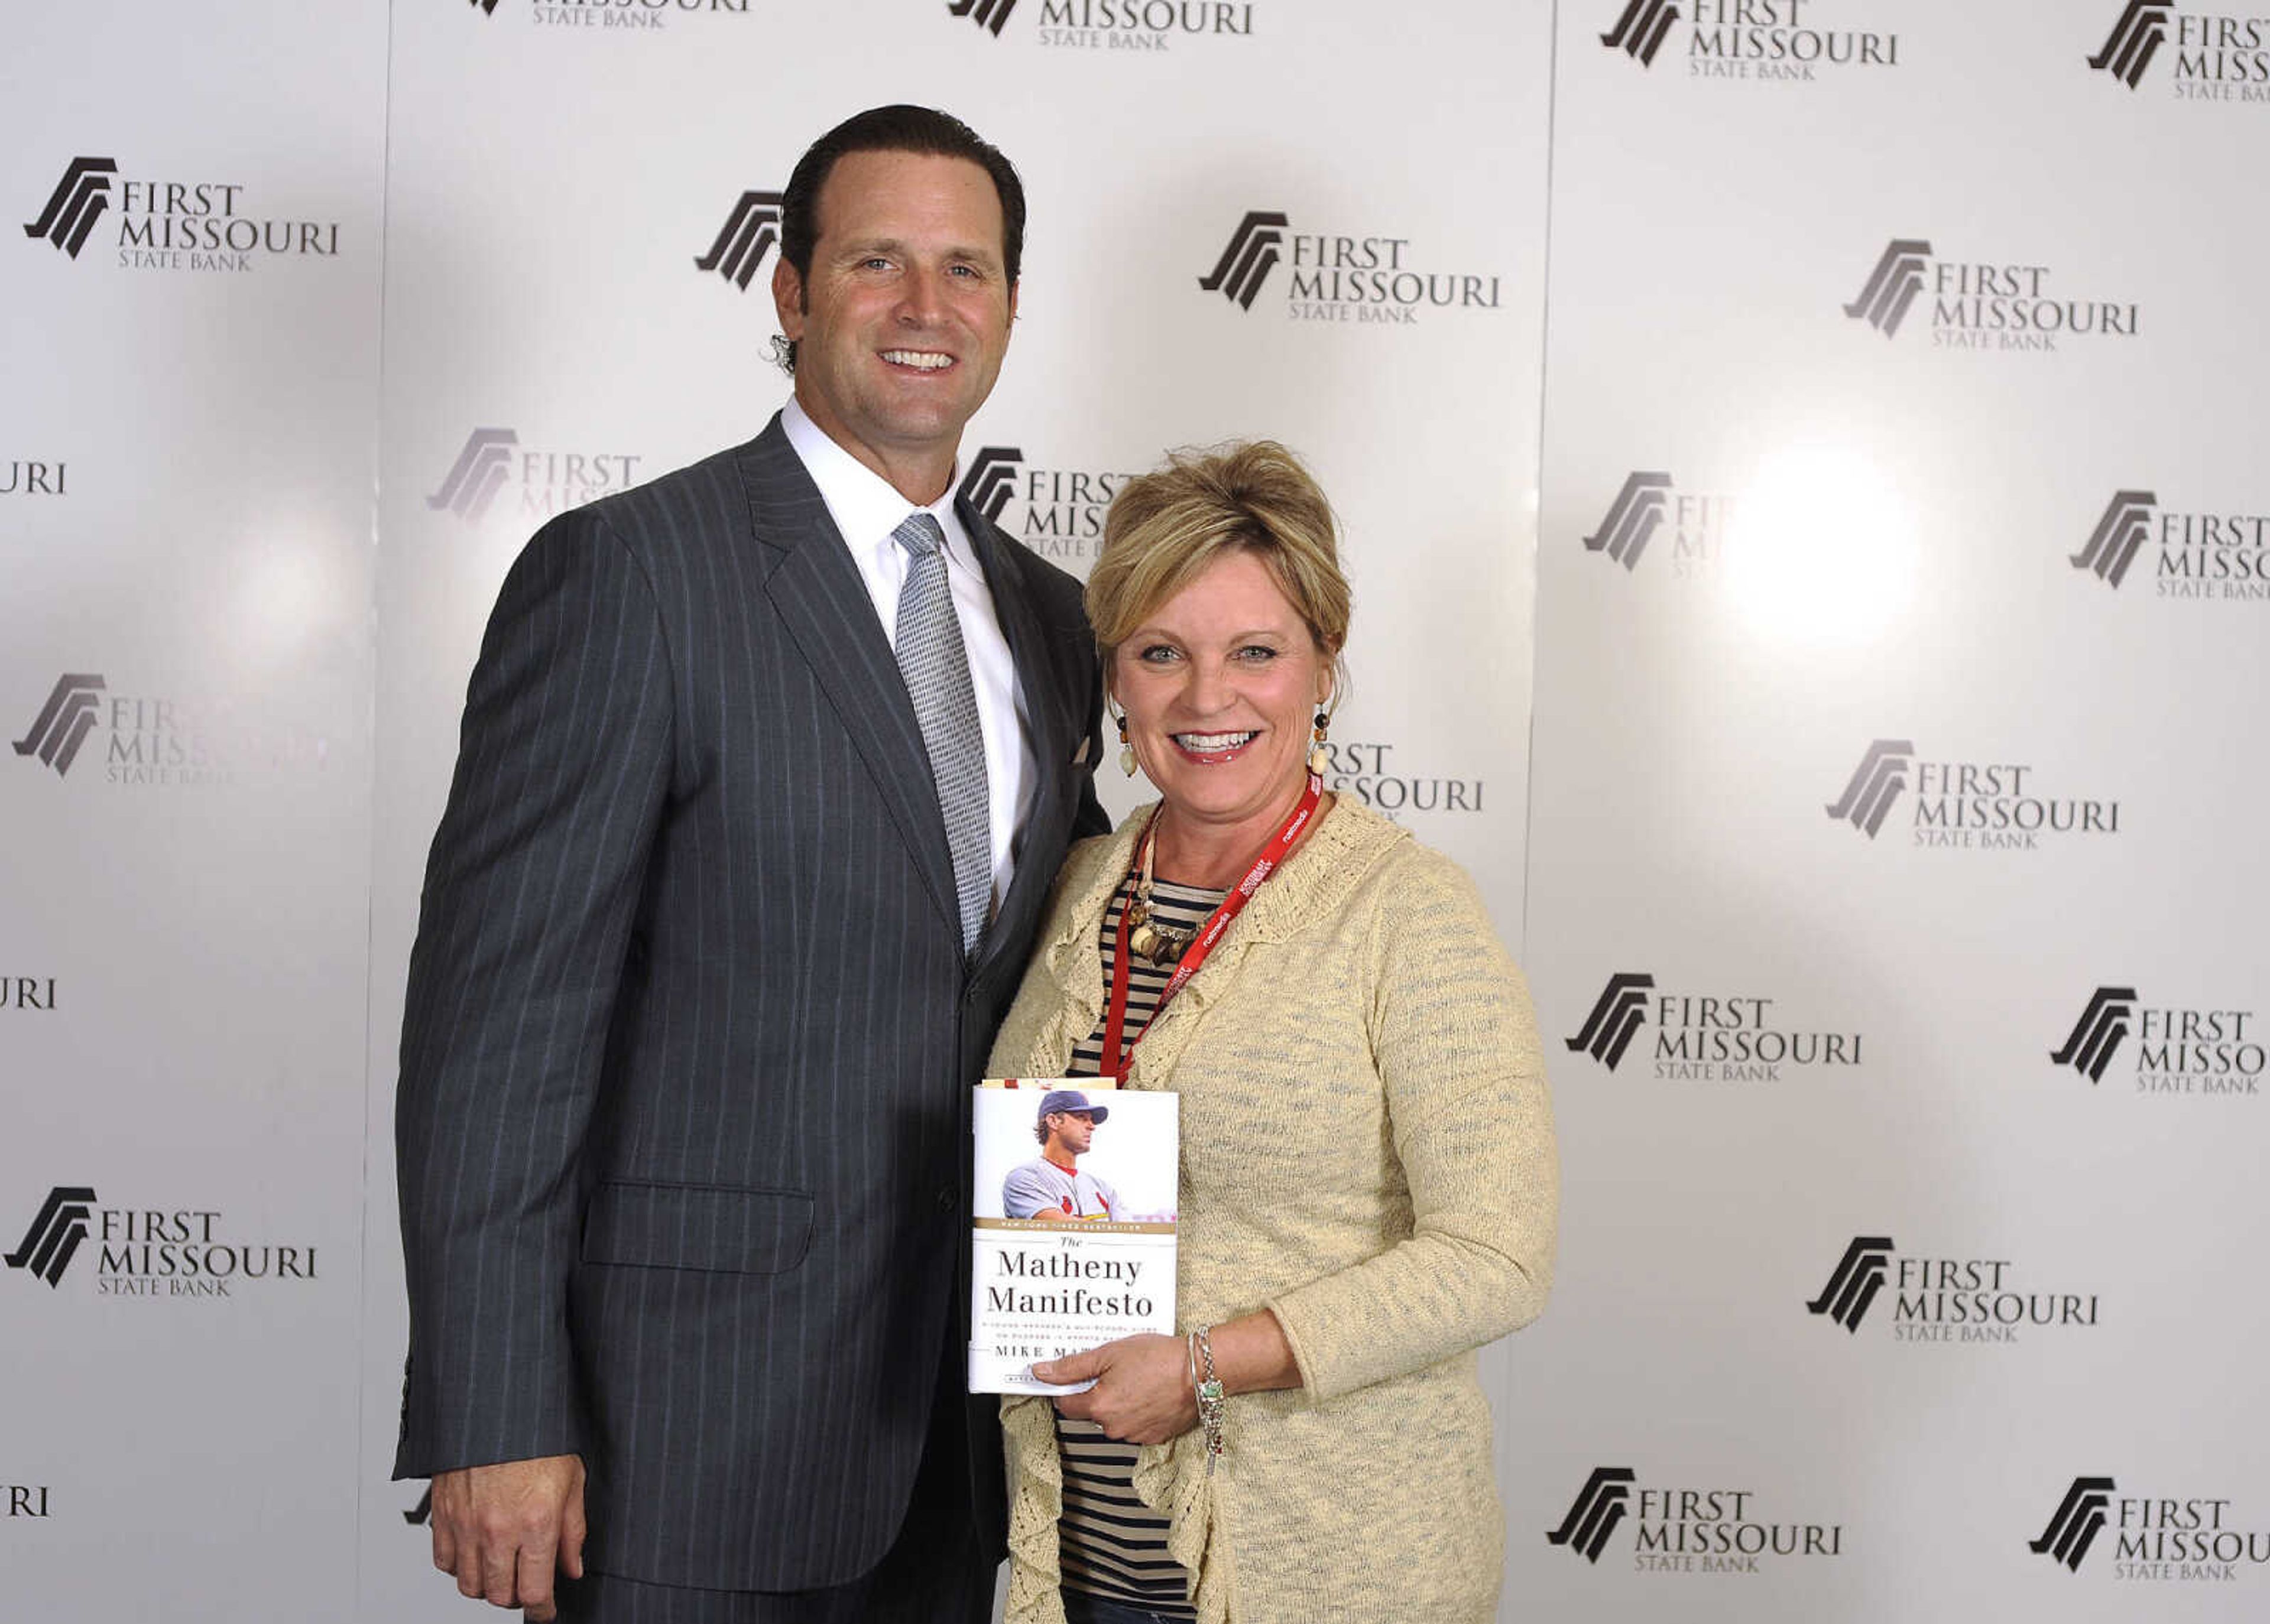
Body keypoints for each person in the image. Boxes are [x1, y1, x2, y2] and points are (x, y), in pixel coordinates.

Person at [392, 105, 1107, 1624]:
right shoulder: (631, 573)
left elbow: (1052, 981)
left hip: (973, 1439)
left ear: (1011, 308)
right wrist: (498, 1408)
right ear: (787, 292)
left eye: (967, 270)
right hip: (685, 1434)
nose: (928, 309)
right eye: (877, 263)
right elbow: (497, 1034)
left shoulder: (1051, 613)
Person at [985, 441, 1558, 1624]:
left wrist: (1206, 1363)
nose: (1207, 698)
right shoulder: (1074, 887)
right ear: (1117, 682)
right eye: (1162, 654)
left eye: (1256, 652)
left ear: (1323, 671)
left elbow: (1498, 1254)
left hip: (1328, 1566)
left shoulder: (1407, 911)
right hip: (1079, 1563)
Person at [1003, 1089, 1119, 1221]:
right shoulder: (1024, 1178)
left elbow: (1131, 1235)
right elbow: (1062, 1230)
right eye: (1082, 1117)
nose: (1092, 1126)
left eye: (1091, 1120)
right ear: (1053, 1121)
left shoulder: (1102, 1187)